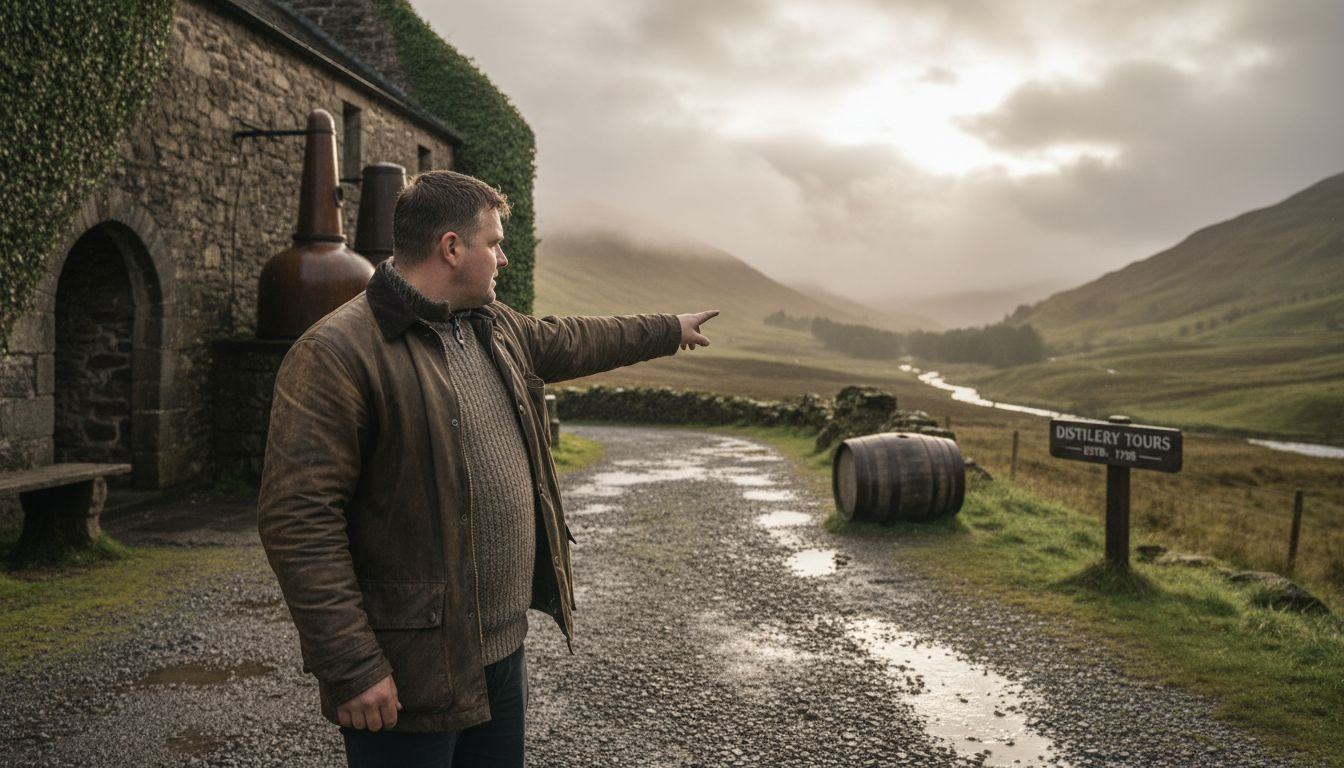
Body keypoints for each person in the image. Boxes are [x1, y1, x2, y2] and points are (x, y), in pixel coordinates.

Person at [257, 169, 717, 767]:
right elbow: (298, 522)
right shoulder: (336, 354)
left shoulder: (490, 326)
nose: (502, 258)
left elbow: (575, 339)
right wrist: (351, 666)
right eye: (494, 243)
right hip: (410, 664)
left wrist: (666, 329)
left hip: (502, 651)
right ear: (451, 248)